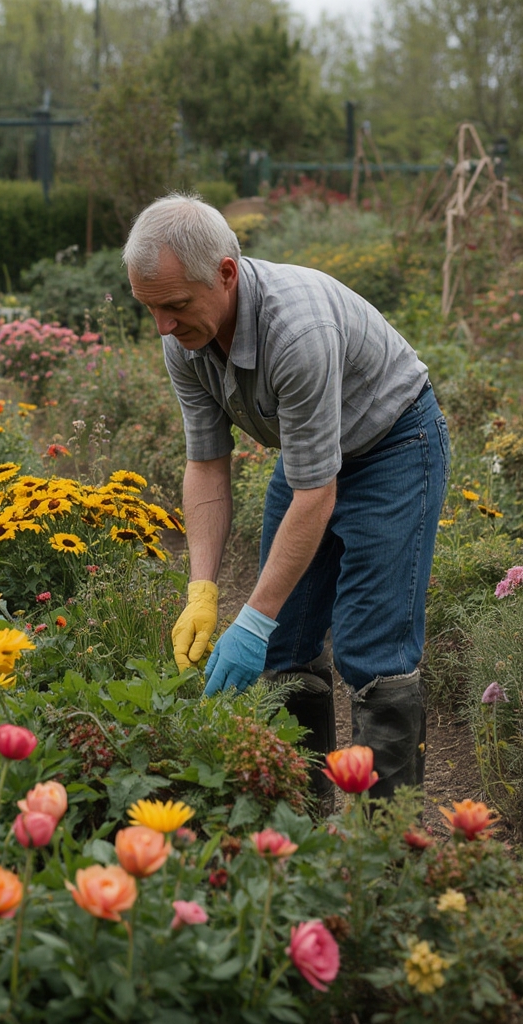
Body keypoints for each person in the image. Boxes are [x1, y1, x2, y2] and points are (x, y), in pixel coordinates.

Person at [123, 193, 450, 801]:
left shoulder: (297, 329)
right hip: (313, 464)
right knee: (286, 642)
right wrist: (204, 589)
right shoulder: (184, 338)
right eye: (150, 309)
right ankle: (303, 820)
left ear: (225, 273)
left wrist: (249, 620)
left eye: (174, 306)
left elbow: (314, 495)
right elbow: (207, 465)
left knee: (372, 650)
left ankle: (390, 851)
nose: (163, 327)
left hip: (393, 447)